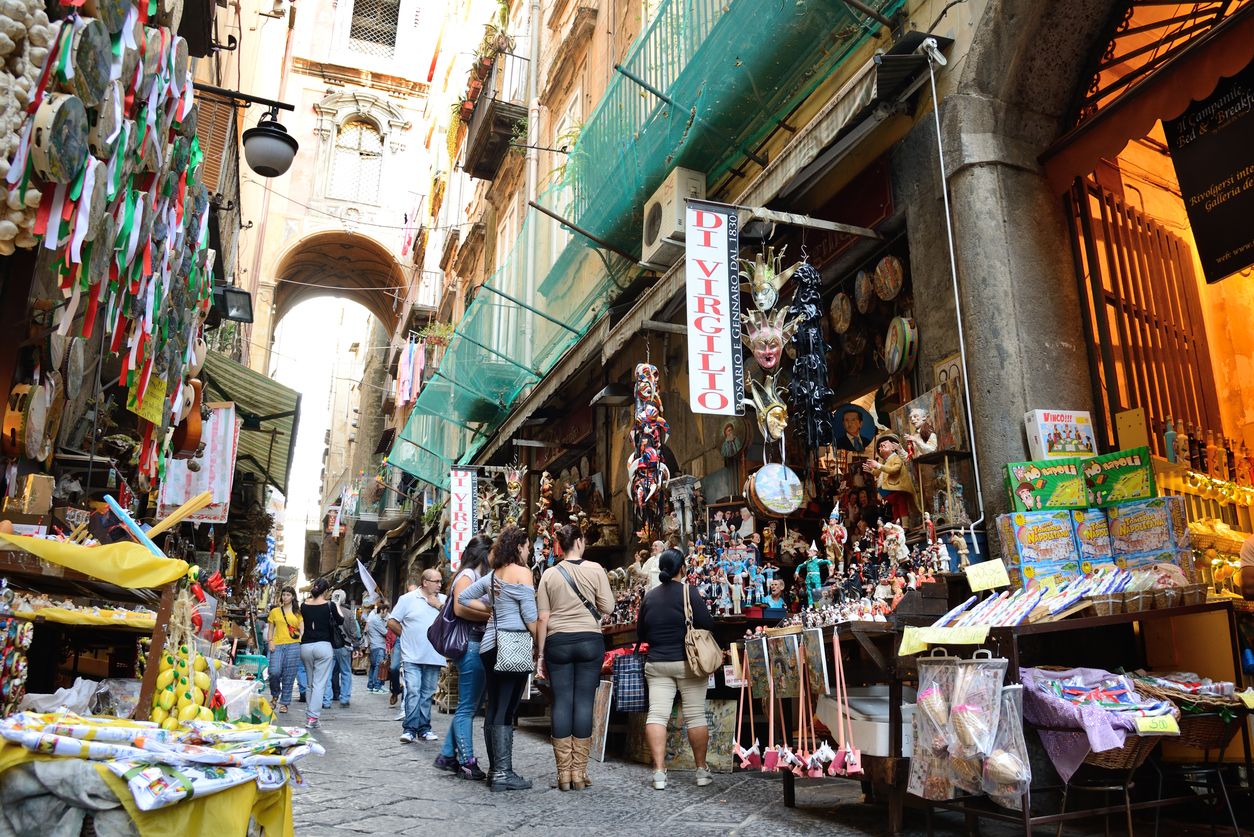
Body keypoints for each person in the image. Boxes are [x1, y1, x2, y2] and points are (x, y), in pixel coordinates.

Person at [458, 524, 538, 792]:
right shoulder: (523, 573)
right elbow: (529, 617)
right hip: (512, 645)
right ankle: (503, 773)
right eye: (527, 546)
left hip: (489, 646)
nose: (529, 551)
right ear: (519, 547)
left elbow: (464, 597)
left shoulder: (493, 576)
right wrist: (541, 641)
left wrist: (491, 608)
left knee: (494, 707)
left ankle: (496, 771)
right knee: (506, 708)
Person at [537, 524, 613, 791]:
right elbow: (608, 607)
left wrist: (540, 654)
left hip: (557, 642)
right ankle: (579, 773)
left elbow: (542, 617)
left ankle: (563, 775)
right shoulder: (595, 569)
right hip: (589, 641)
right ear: (579, 541)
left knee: (561, 702)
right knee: (583, 702)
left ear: (560, 544)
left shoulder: (549, 574)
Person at [636, 548, 716, 791]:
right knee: (695, 715)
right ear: (682, 568)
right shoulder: (688, 592)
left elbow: (641, 633)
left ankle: (659, 772)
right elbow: (707, 624)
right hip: (688, 663)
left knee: (657, 715)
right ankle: (701, 770)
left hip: (658, 663)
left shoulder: (649, 597)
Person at [433, 534, 493, 780]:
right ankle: (467, 761)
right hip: (470, 644)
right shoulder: (468, 576)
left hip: (472, 644)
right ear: (484, 554)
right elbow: (459, 607)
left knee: (469, 704)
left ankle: (447, 755)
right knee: (467, 707)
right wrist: (491, 614)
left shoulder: (472, 575)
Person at [388, 571, 447, 744]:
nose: (439, 585)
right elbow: (392, 621)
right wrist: (405, 635)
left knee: (427, 693)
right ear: (425, 582)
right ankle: (410, 729)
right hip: (412, 655)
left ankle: (424, 728)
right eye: (436, 581)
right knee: (413, 691)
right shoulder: (408, 599)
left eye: (440, 581)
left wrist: (439, 606)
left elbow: (453, 621)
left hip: (434, 655)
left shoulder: (443, 600)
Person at [299, 578, 340, 728]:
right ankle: (313, 718)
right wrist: (338, 606)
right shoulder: (330, 605)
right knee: (319, 683)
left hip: (306, 646)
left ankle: (309, 715)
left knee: (310, 683)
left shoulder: (304, 605)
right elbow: (340, 621)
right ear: (326, 591)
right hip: (323, 646)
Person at [266, 586, 302, 714]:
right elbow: (270, 628)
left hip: (294, 645)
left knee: (289, 674)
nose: (285, 597)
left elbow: (302, 629)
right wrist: (270, 641)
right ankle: (275, 695)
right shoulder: (275, 611)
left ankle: (284, 703)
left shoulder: (297, 612)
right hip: (277, 644)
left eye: (288, 595)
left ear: (293, 597)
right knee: (274, 672)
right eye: (284, 594)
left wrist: (300, 642)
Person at [328, 590, 361, 708]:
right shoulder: (348, 613)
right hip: (345, 646)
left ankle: (328, 697)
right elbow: (354, 632)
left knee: (330, 672)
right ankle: (345, 697)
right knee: (346, 672)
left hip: (330, 646)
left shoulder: (328, 611)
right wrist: (356, 645)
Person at [364, 602, 390, 694]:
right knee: (379, 667)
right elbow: (386, 632)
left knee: (374, 666)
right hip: (378, 645)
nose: (387, 614)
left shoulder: (377, 620)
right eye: (386, 611)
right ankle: (377, 686)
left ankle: (371, 686)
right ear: (382, 610)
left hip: (375, 646)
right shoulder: (376, 620)